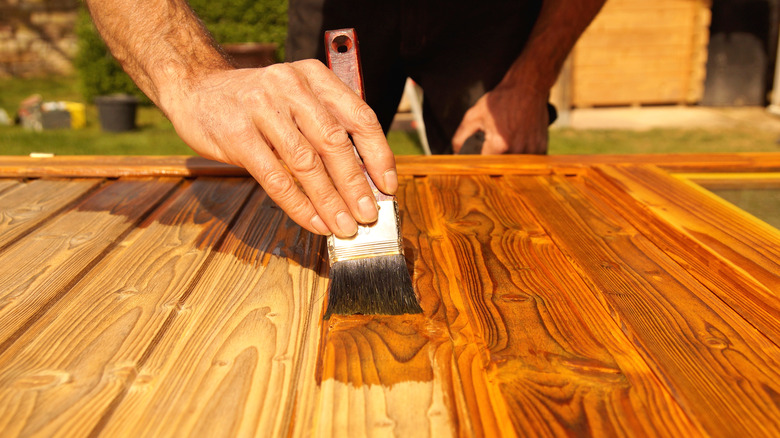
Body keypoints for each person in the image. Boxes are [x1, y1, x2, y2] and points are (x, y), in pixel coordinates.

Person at [83, 0, 604, 238]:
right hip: (342, 7)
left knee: (501, 187)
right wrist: (191, 78)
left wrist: (532, 78)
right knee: (310, 161)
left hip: (488, 13)